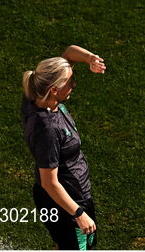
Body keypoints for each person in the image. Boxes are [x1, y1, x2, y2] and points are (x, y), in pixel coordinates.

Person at [21, 46, 107, 250]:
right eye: (70, 82)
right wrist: (78, 214)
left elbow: (68, 53)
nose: (74, 84)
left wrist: (90, 59)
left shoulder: (36, 95)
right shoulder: (48, 129)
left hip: (66, 198)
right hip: (66, 203)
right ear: (54, 89)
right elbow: (49, 182)